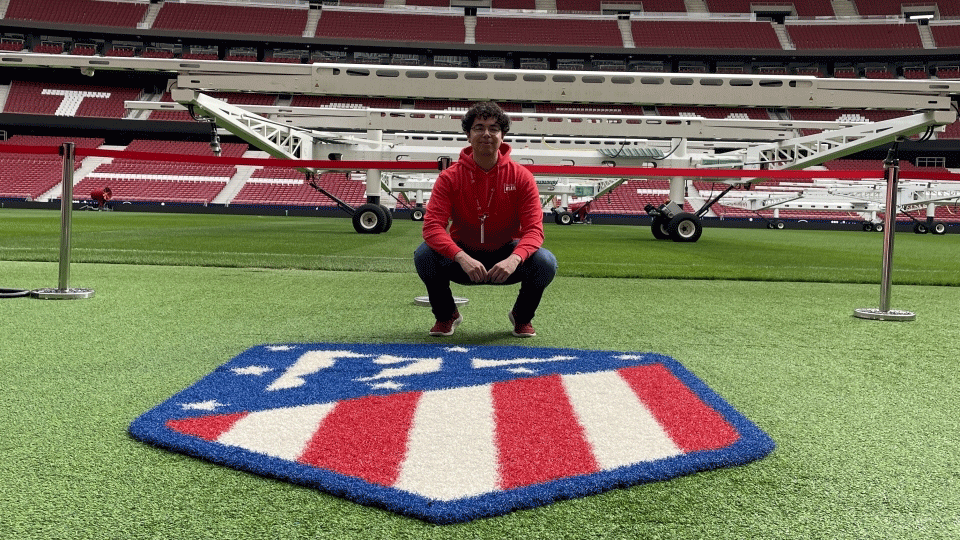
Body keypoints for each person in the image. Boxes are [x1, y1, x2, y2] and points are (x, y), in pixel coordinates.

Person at [414, 101, 557, 337]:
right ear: (468, 136)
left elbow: (534, 230)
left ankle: (521, 317)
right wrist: (461, 257)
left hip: (505, 254)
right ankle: (446, 315)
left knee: (545, 262)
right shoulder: (449, 178)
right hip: (463, 256)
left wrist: (514, 259)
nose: (486, 134)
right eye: (479, 128)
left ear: (503, 136)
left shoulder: (522, 177)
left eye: (493, 128)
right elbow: (432, 228)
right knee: (425, 255)